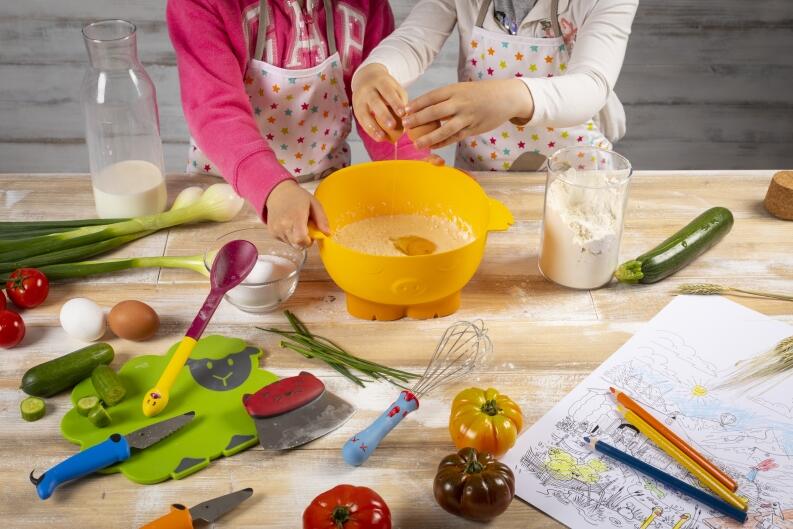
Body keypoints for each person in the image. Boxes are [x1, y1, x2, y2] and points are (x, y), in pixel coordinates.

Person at [167, 0, 434, 247]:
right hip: (224, 199)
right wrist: (274, 188)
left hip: (324, 194)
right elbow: (215, 111)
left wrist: (414, 167)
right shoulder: (202, 4)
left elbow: (375, 102)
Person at [352, 0, 638, 172]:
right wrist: (374, 70)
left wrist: (511, 97)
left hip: (575, 182)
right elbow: (414, 39)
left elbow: (592, 83)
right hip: (485, 173)